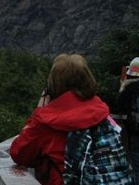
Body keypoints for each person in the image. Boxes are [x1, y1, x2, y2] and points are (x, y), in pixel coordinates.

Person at [10, 54, 113, 185]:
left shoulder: (46, 121)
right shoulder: (101, 112)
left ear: (53, 84)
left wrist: (38, 112)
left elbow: (19, 153)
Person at [115, 57, 139, 179]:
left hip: (135, 133)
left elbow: (118, 107)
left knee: (136, 165)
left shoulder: (129, 89)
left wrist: (122, 87)